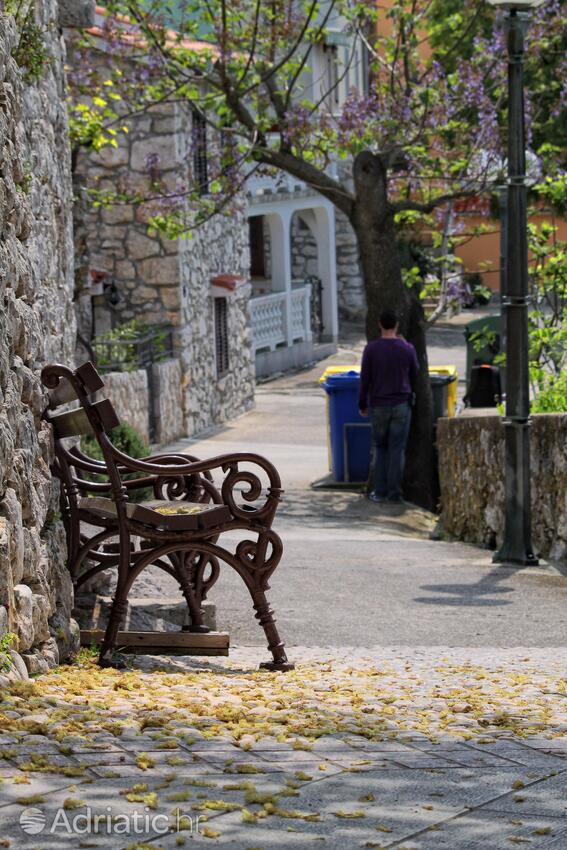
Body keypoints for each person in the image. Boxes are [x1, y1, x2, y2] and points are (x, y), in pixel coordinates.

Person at [358, 309, 419, 503]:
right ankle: (395, 492)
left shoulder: (371, 349)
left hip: (379, 403)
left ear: (379, 324)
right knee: (397, 449)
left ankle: (380, 490)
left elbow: (365, 378)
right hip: (401, 403)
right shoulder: (406, 348)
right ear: (396, 325)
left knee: (380, 447)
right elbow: (414, 373)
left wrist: (362, 402)